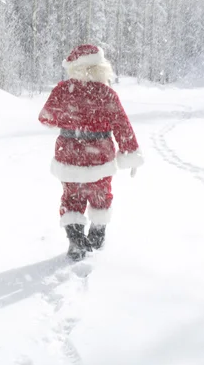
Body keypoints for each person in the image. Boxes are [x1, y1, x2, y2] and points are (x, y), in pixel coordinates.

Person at [38, 44, 144, 261]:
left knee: (72, 197)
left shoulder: (63, 90)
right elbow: (122, 125)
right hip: (99, 155)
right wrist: (130, 151)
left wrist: (69, 116)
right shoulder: (106, 93)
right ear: (100, 67)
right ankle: (97, 237)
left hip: (69, 152)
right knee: (100, 195)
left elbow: (46, 117)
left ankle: (76, 241)